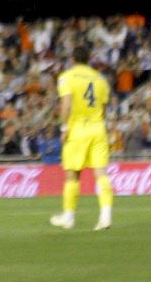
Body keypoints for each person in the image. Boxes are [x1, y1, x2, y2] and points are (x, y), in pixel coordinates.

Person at [49, 43, 114, 231]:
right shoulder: (100, 79)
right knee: (101, 173)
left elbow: (66, 105)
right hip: (98, 128)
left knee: (72, 175)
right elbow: (103, 109)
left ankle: (68, 217)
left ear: (73, 59)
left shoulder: (67, 77)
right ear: (89, 59)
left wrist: (63, 128)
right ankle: (105, 216)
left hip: (77, 129)